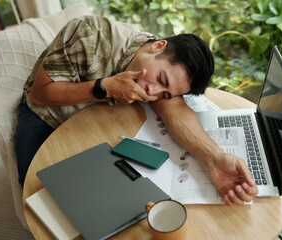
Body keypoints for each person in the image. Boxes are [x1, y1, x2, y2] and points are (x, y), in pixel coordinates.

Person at [15, 15, 258, 205]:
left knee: (106, 198)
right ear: (157, 46)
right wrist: (104, 88)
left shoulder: (158, 78)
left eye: (165, 93)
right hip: (46, 114)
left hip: (96, 121)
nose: (153, 93)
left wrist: (213, 158)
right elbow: (41, 93)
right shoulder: (89, 33)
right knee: (36, 194)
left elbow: (176, 112)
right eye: (161, 80)